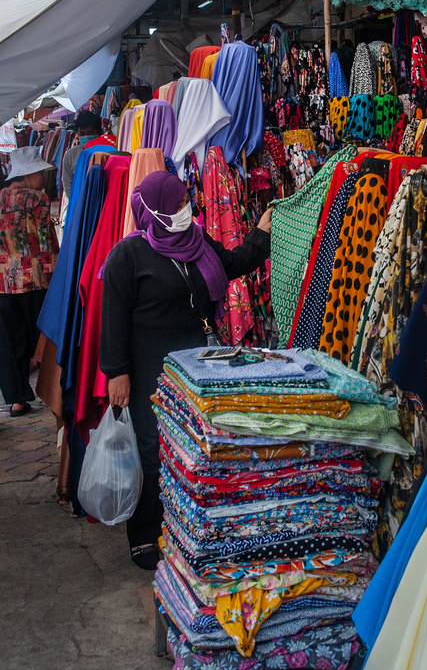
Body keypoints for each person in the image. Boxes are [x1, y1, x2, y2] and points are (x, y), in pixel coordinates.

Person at [99, 170, 272, 569]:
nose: (184, 209)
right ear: (155, 210)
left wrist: (261, 234)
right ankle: (145, 533)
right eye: (176, 204)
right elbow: (113, 317)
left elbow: (233, 263)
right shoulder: (128, 255)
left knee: (192, 448)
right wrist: (116, 371)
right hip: (148, 369)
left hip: (197, 368)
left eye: (184, 202)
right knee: (152, 450)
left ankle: (186, 531)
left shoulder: (197, 241)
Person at [0, 146, 59, 415]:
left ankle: (17, 399)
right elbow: (47, 241)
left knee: (10, 341)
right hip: (35, 279)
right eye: (38, 173)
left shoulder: (0, 199)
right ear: (27, 175)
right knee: (45, 336)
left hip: (3, 281)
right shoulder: (38, 199)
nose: (42, 177)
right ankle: (52, 391)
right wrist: (54, 274)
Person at [62, 110, 114, 198]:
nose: (86, 137)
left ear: (99, 132)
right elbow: (68, 184)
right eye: (82, 134)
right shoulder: (70, 155)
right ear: (77, 134)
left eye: (90, 133)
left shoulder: (109, 153)